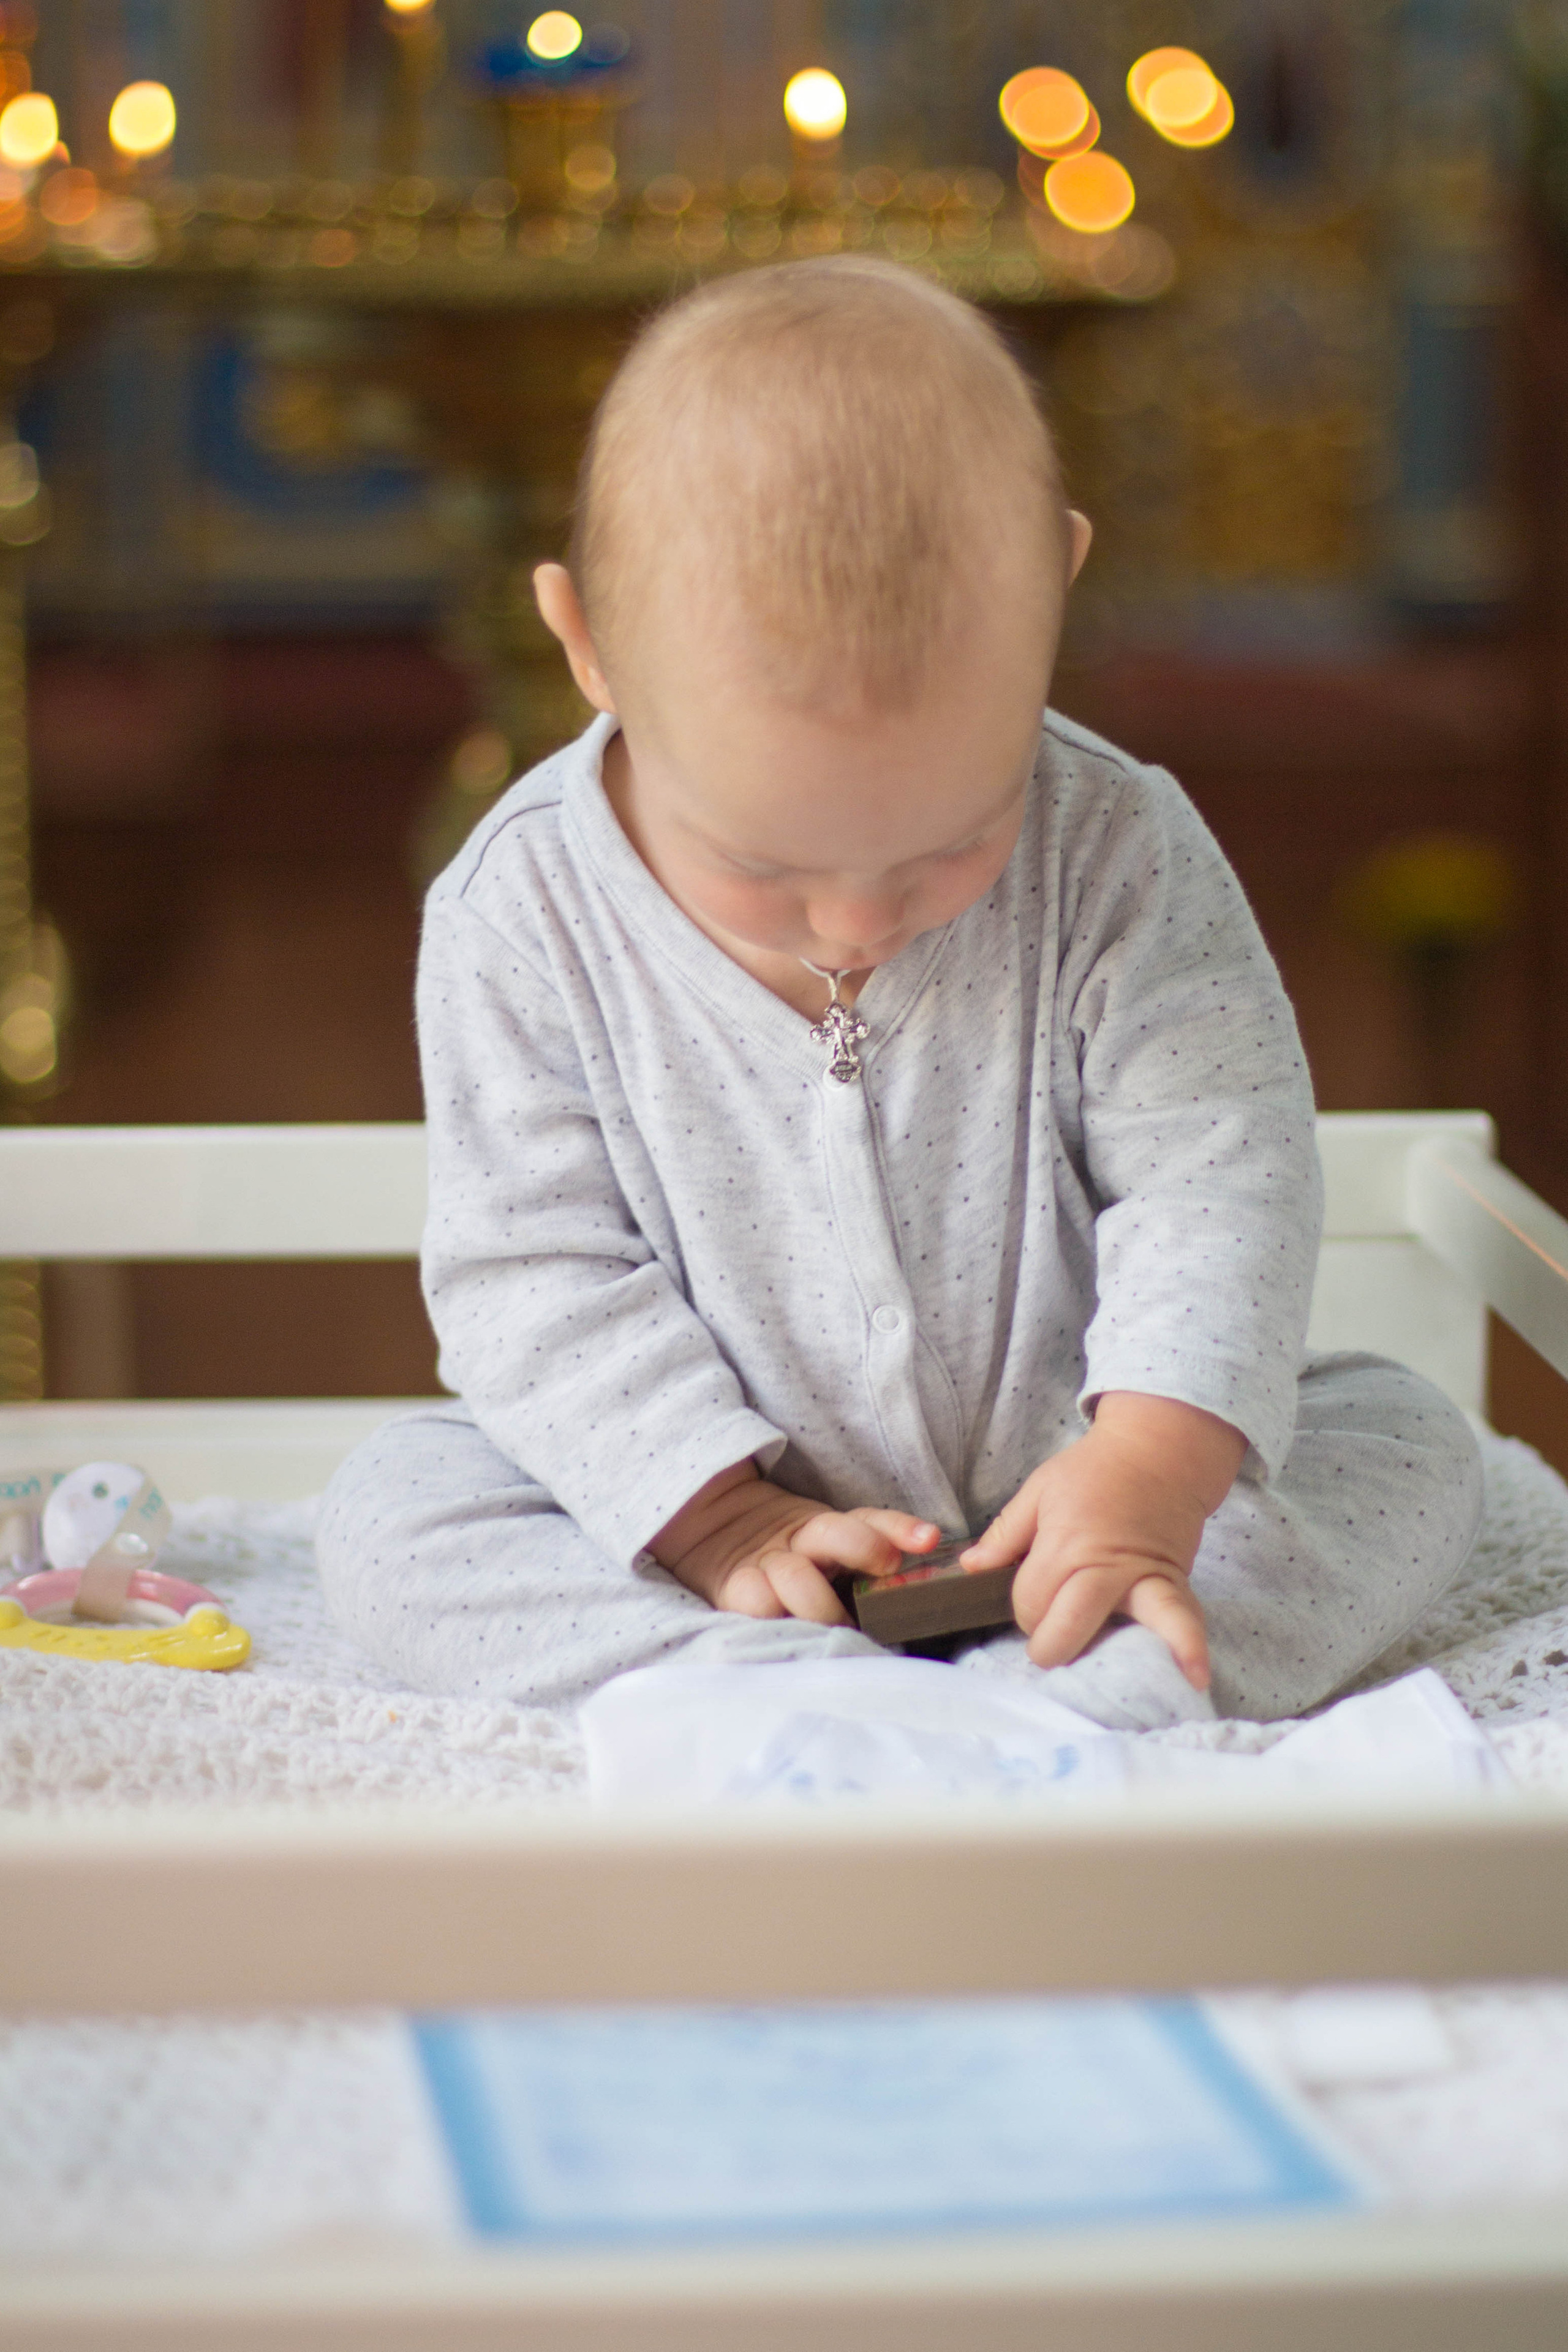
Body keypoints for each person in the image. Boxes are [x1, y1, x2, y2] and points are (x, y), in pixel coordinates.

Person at [317, 256, 1482, 1728]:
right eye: (763, 859)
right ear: (587, 648)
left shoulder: (1118, 849)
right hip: (721, 1541)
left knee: (1406, 1442)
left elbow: (1220, 1177)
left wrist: (1147, 1472)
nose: (860, 919)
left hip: (1080, 1487)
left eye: (951, 840)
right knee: (392, 1514)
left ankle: (1114, 1673)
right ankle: (767, 1697)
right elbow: (527, 1273)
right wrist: (719, 1519)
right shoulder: (522, 911)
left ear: (1053, 589)